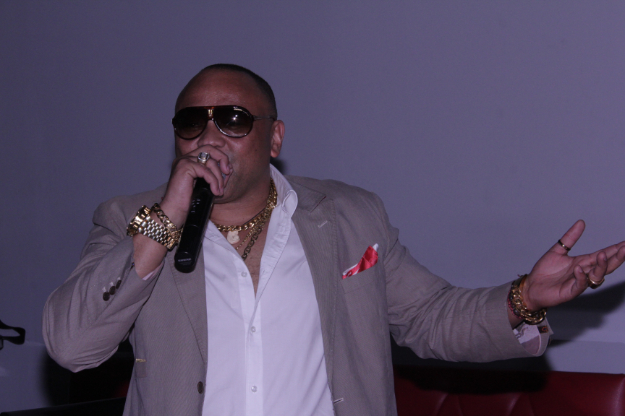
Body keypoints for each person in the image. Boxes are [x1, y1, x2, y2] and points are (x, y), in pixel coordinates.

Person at [43, 64, 625, 416]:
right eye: (192, 122)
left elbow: (431, 317)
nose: (210, 136)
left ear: (274, 138)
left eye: (234, 119)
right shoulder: (128, 220)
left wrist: (525, 298)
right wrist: (164, 222)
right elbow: (72, 347)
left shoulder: (349, 217)